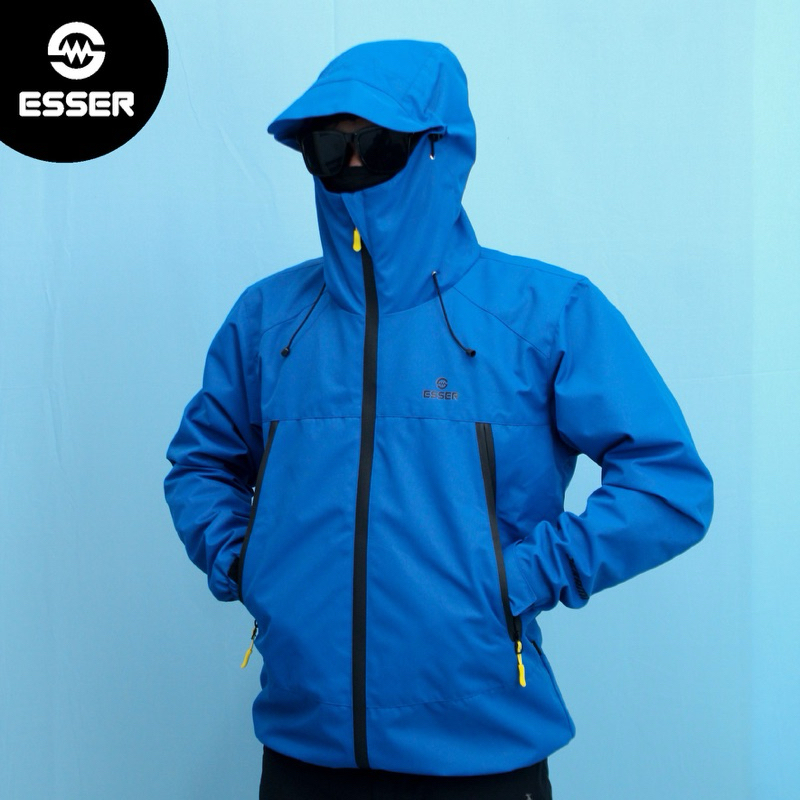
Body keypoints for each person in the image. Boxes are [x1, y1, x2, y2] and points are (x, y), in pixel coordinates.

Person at [165, 40, 713, 800]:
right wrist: (245, 559)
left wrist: (520, 576)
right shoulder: (269, 318)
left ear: (439, 149)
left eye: (377, 142)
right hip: (302, 750)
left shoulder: (543, 311)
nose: (353, 165)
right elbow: (201, 463)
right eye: (329, 146)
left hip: (482, 754)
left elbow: (668, 484)